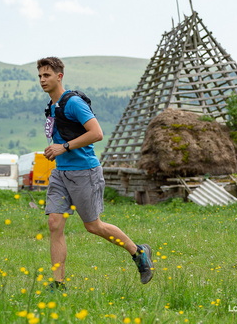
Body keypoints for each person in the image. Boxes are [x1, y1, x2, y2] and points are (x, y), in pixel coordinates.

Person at [37, 56, 154, 288]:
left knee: (93, 226)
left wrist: (64, 147)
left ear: (59, 76)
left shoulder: (73, 103)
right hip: (60, 173)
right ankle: (58, 284)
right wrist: (56, 149)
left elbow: (97, 133)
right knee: (54, 223)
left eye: (47, 75)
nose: (42, 80)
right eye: (40, 76)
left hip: (84, 172)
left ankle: (138, 252)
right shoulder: (52, 106)